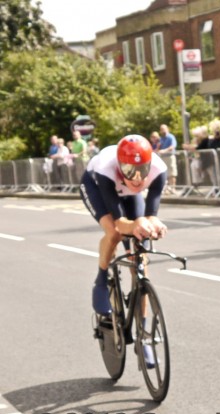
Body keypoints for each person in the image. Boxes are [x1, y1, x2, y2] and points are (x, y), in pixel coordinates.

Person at [79, 135, 168, 367]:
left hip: (128, 194)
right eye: (129, 170)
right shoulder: (106, 170)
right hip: (97, 187)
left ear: (150, 164)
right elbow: (120, 223)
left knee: (141, 253)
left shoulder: (159, 170)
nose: (137, 177)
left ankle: (143, 338)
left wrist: (153, 224)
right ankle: (100, 280)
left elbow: (151, 215)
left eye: (142, 170)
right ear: (120, 166)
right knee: (115, 234)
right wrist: (138, 224)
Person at [158, 124, 178, 194]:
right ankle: (166, 189)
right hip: (163, 158)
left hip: (170, 156)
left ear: (167, 129)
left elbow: (172, 146)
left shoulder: (171, 137)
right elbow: (158, 148)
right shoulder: (161, 139)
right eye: (161, 129)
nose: (163, 131)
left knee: (171, 173)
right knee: (164, 173)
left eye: (164, 129)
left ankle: (173, 188)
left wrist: (164, 151)